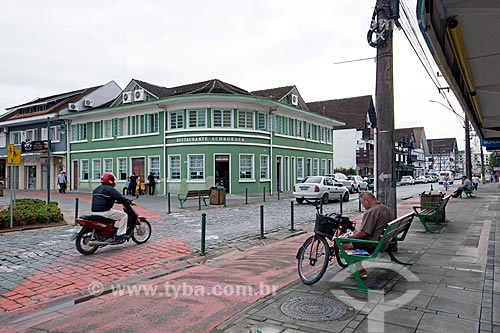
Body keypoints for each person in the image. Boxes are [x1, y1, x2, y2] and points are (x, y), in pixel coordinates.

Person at [341, 192, 393, 278]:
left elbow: (363, 233)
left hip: (373, 243)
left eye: (362, 203)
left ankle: (359, 270)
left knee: (343, 245)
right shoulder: (384, 208)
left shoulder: (371, 212)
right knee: (354, 238)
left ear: (367, 201)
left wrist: (348, 237)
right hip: (383, 241)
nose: (363, 205)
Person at [91, 172, 134, 241]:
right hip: (105, 211)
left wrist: (114, 201)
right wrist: (129, 201)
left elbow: (103, 199)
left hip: (94, 212)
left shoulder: (97, 189)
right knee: (124, 216)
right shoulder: (110, 189)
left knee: (114, 216)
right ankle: (119, 235)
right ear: (110, 180)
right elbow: (120, 198)